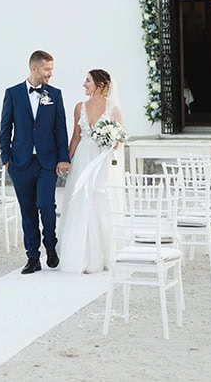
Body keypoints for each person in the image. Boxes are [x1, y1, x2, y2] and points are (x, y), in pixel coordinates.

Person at [0, 50, 71, 274]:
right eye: (47, 69)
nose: (50, 73)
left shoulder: (55, 94)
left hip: (46, 162)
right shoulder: (12, 93)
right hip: (20, 163)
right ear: (34, 68)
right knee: (28, 210)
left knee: (46, 205)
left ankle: (50, 245)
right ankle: (32, 256)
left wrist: (63, 158)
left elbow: (61, 128)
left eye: (51, 69)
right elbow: (5, 127)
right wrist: (6, 158)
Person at [58, 69, 124, 274]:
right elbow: (76, 137)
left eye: (87, 81)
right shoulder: (80, 107)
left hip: (101, 161)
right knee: (81, 201)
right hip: (82, 159)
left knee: (100, 202)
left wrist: (114, 142)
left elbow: (119, 138)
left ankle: (101, 255)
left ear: (100, 84)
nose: (84, 84)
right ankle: (80, 255)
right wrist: (66, 160)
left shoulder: (113, 109)